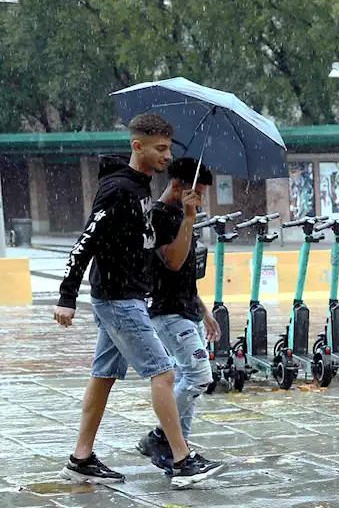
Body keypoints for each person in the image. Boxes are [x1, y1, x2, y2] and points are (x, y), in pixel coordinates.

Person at [54, 113, 224, 487]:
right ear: (138, 146)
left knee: (103, 377)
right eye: (160, 148)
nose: (166, 155)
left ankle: (80, 459)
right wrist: (67, 296)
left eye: (168, 147)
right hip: (118, 300)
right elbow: (87, 240)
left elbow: (161, 249)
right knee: (163, 373)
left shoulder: (142, 189)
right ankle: (181, 460)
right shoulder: (119, 188)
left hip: (125, 297)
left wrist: (187, 217)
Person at [135, 157, 222, 470]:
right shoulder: (158, 216)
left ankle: (179, 450)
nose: (199, 200)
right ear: (176, 186)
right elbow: (172, 261)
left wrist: (205, 312)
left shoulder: (180, 214)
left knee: (190, 377)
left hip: (188, 310)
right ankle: (161, 435)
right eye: (196, 193)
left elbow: (186, 275)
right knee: (199, 376)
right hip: (167, 313)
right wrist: (188, 218)